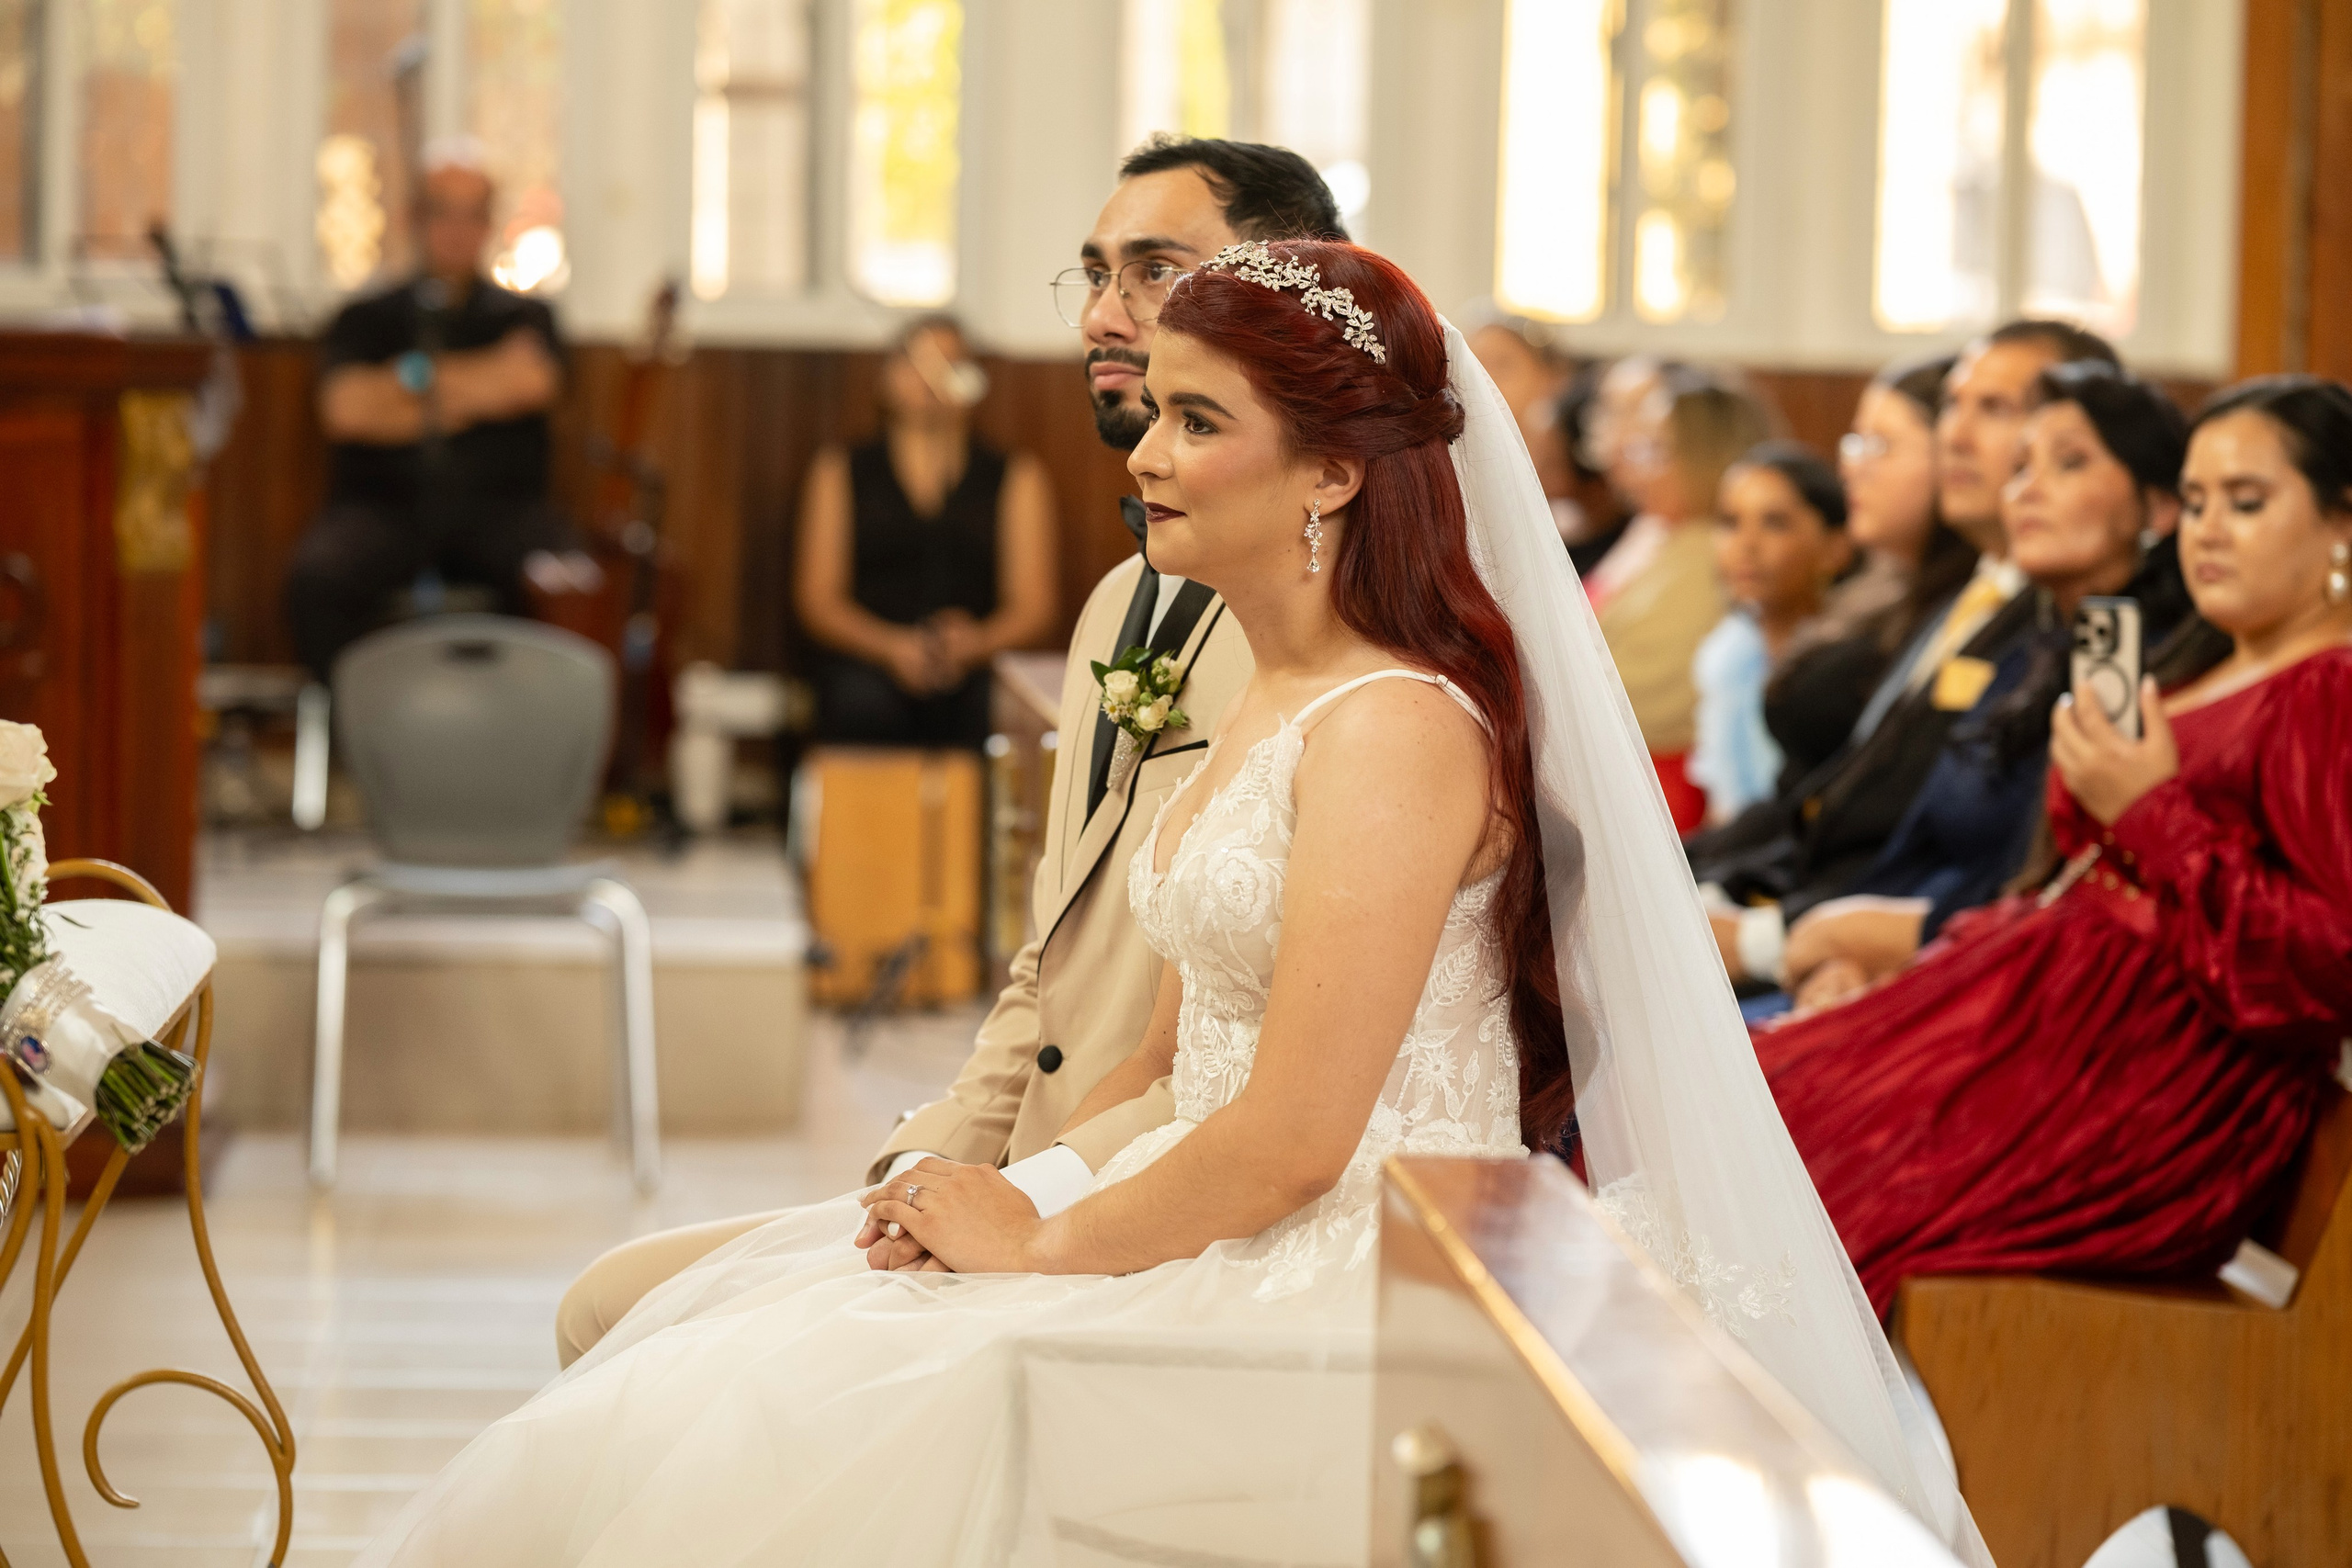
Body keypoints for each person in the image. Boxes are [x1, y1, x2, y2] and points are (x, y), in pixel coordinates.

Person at [358, 241, 1987, 1566]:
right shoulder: (1265, 700)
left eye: (1199, 421)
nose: (1145, 454)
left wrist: (1042, 1246)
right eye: (1157, 414)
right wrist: (963, 1189)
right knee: (693, 1343)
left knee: (757, 1411)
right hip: (1191, 1194)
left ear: (1333, 477)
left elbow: (1291, 1133)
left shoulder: (1399, 731)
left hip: (1345, 1263)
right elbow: (1158, 1061)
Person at [551, 136, 1336, 1353]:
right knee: (612, 1298)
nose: (1099, 315)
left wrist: (1035, 1201)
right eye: (1092, 274)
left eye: (1152, 272)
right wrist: (927, 1158)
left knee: (633, 1332)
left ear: (1285, 294)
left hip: (1148, 1211)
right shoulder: (1117, 607)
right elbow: (1053, 964)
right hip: (1024, 1171)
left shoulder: (1340, 660)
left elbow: (1253, 1074)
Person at [1755, 374, 2352, 1316]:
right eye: (2194, 503)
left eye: (2246, 502)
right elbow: (2077, 879)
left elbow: (2328, 966)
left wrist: (2151, 810)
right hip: (2041, 1017)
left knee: (1794, 1172)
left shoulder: (2327, 692)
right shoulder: (2201, 655)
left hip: (2140, 1085)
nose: (2205, 530)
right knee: (1745, 1098)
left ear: (2340, 526)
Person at [1696, 321, 2117, 987]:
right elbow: (1841, 799)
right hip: (1816, 916)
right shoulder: (1964, 597)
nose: (1958, 434)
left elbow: (1999, 863)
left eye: (1997, 409)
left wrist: (1776, 940)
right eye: (1954, 406)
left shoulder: (2073, 628)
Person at [1780, 362, 2190, 1012]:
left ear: (2160, 507)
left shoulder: (2147, 670)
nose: (2027, 489)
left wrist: (1857, 940)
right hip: (1898, 960)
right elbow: (1913, 844)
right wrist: (1840, 956)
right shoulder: (2027, 646)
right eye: (2022, 466)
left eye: (2070, 463)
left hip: (2007, 993)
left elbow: (2057, 893)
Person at [285, 139, 577, 682]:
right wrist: (478, 385)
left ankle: (530, 739)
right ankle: (359, 734)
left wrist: (404, 384)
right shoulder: (364, 317)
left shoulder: (527, 316)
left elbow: (529, 384)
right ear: (413, 220)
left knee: (566, 582)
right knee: (318, 576)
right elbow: (347, 410)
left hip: (501, 511)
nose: (457, 230)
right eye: (442, 212)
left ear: (490, 225)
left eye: (472, 215)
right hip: (383, 510)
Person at [794, 316, 1059, 749]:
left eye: (949, 364)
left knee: (993, 710)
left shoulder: (1017, 476)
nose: (930, 379)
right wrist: (892, 648)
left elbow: (1034, 607)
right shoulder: (839, 470)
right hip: (868, 659)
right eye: (917, 362)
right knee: (860, 702)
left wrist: (975, 643)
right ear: (887, 376)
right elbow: (818, 600)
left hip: (974, 665)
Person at [1590, 371, 1773, 829]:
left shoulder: (1709, 555)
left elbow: (1637, 697)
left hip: (1652, 789)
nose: (1641, 466)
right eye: (1641, 447)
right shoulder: (1658, 530)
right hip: (1615, 769)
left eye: (1658, 450)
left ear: (1706, 457)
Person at [1689, 442, 1855, 823]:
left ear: (1835, 548)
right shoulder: (1726, 654)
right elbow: (1724, 807)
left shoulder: (1850, 661)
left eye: (1775, 522)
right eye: (1730, 522)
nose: (1746, 545)